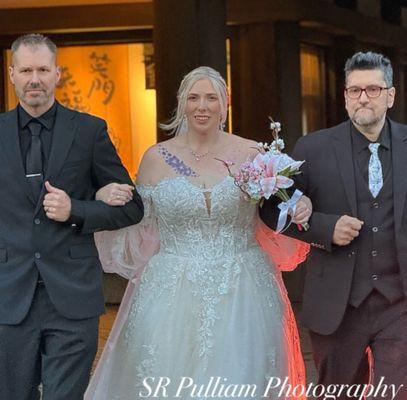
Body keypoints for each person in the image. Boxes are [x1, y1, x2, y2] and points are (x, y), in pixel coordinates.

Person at [85, 66, 311, 400]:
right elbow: (138, 219)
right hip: (170, 288)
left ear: (225, 104)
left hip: (242, 285)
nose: (202, 106)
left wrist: (299, 201)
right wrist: (103, 199)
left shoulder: (252, 154)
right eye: (193, 97)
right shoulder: (156, 158)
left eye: (211, 98)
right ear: (181, 104)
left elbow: (278, 204)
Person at [0, 33, 144, 400]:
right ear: (12, 73)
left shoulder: (88, 130)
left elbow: (132, 206)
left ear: (57, 74)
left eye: (43, 70)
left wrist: (76, 210)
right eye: (27, 70)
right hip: (8, 295)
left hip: (72, 296)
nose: (35, 78)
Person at [260, 52, 407, 398]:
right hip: (338, 306)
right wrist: (324, 228)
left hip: (400, 303)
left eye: (373, 89)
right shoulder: (314, 147)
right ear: (344, 96)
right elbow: (272, 209)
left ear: (391, 95)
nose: (363, 98)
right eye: (354, 90)